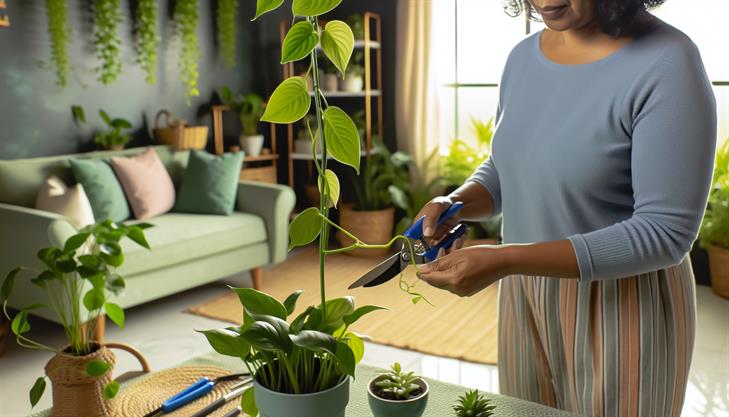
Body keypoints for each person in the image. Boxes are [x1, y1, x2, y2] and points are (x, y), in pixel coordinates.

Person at [415, 1, 717, 416]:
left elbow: (665, 234)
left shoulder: (667, 61)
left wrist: (505, 258)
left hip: (623, 304)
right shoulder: (522, 58)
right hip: (524, 296)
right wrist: (455, 203)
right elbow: (507, 167)